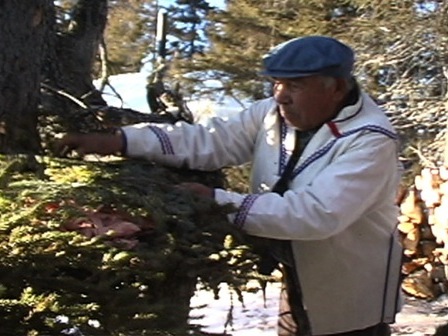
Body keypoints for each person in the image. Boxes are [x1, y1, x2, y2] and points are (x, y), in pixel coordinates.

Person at [56, 36, 403, 336]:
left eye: (295, 85)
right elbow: (210, 141)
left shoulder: (369, 140)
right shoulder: (271, 112)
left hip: (350, 288)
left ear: (337, 87)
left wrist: (218, 201)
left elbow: (317, 214)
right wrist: (122, 141)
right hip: (301, 276)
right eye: (276, 83)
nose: (280, 96)